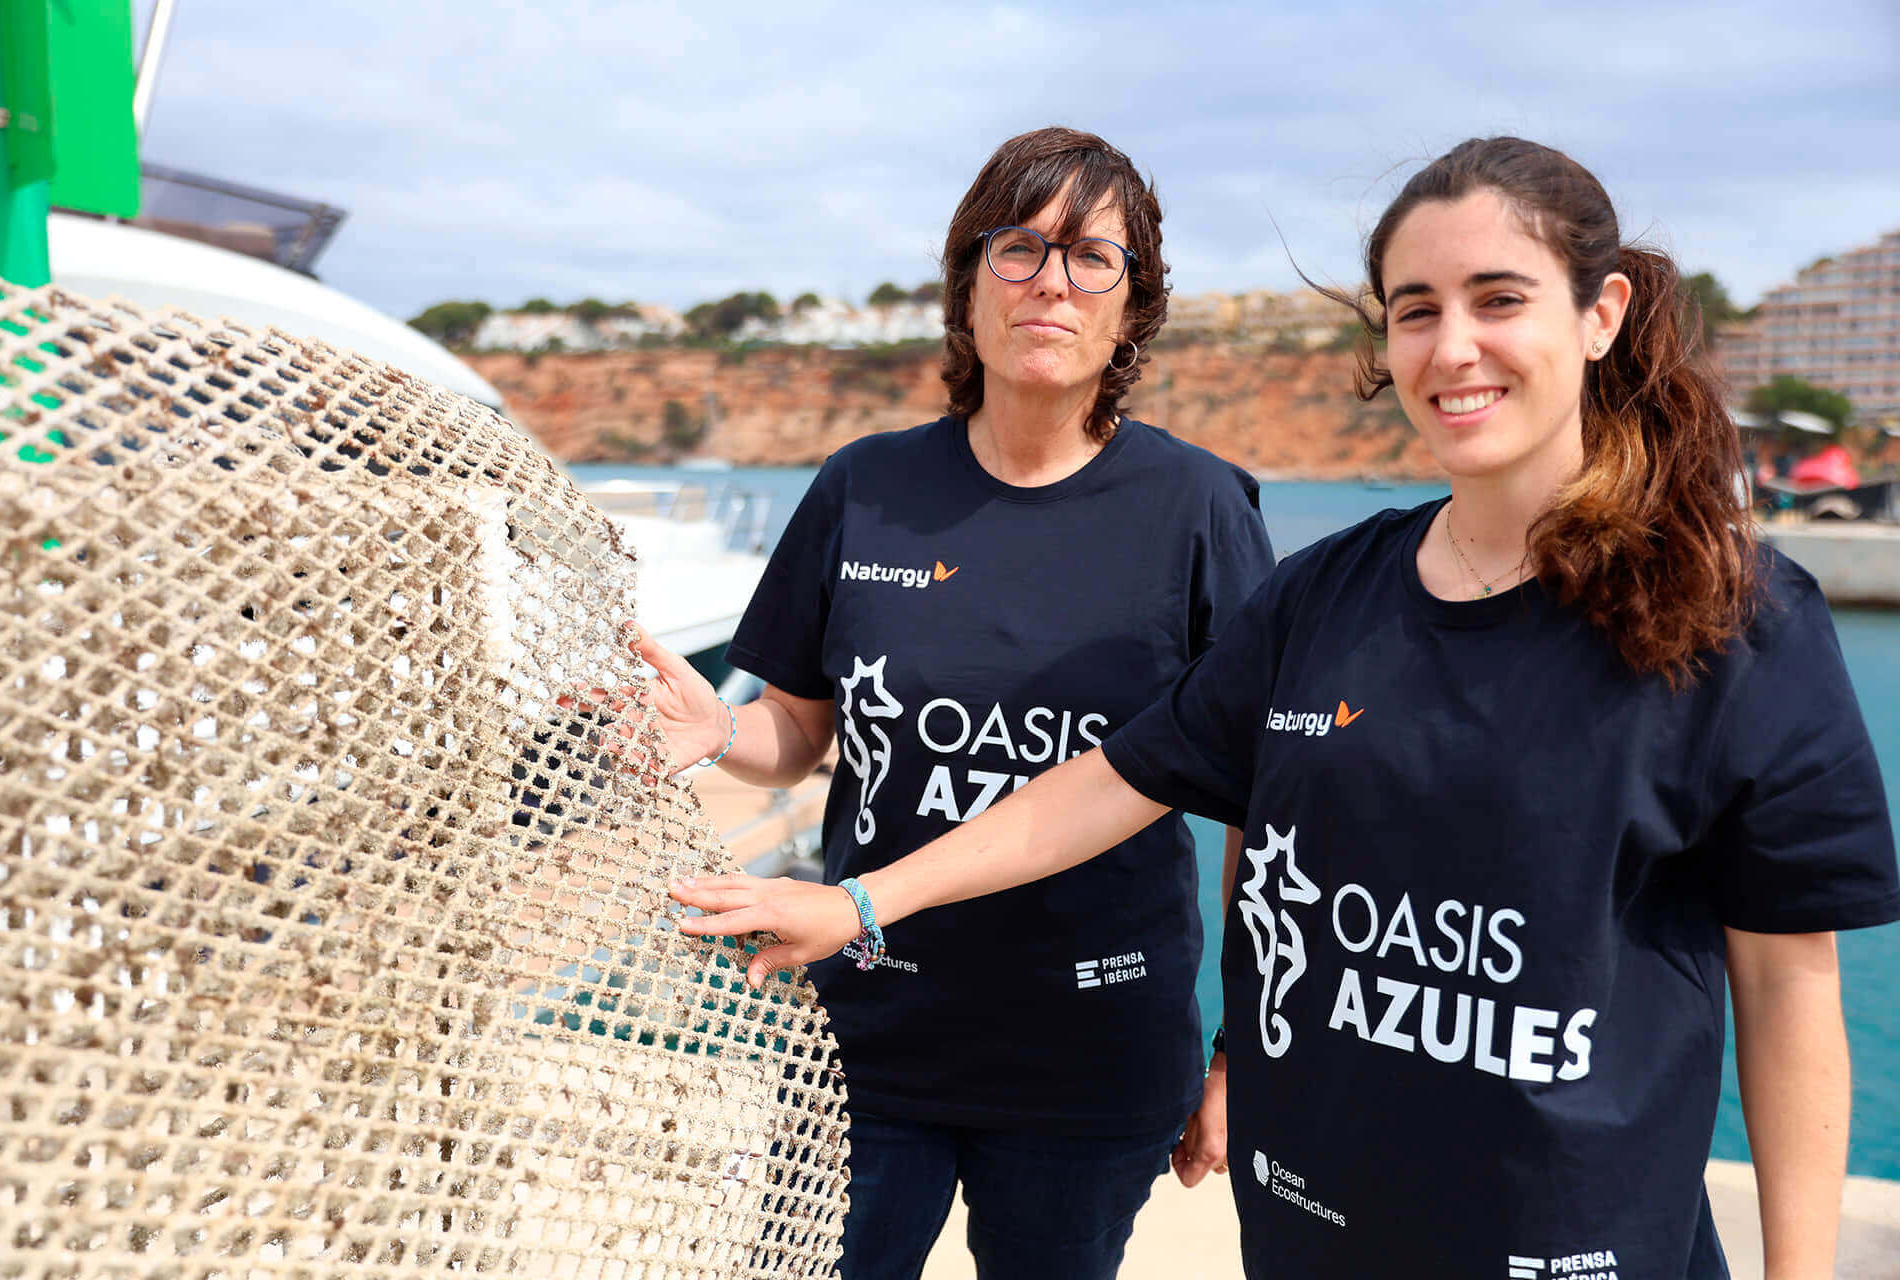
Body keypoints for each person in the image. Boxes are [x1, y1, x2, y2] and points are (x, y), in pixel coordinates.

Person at [671, 137, 1900, 1277]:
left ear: (1601, 313)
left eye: (1499, 298)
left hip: (1558, 1232)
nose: (1453, 347)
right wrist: (854, 895)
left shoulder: (1739, 618)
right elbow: (1121, 781)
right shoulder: (1327, 596)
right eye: (1415, 309)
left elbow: (1789, 990)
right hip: (1309, 1224)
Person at [632, 126, 1275, 1279]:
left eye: (1094, 258)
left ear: (1133, 311)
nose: (1051, 283)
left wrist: (1241, 1050)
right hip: (865, 1033)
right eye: (1018, 248)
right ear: (968, 289)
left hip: (1091, 1052)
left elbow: (1258, 804)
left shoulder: (1199, 508)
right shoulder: (865, 487)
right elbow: (802, 729)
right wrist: (721, 728)